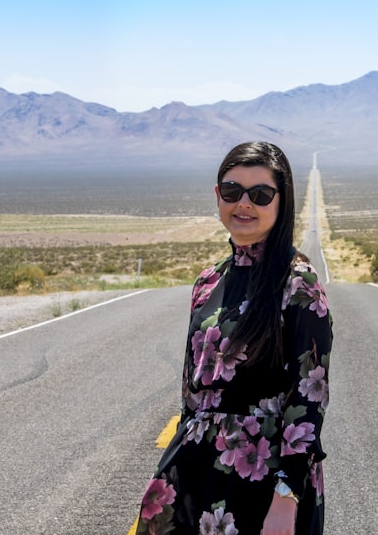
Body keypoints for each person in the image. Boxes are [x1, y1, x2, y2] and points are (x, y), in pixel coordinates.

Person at [136, 141, 333, 535]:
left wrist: (286, 498)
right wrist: (169, 475)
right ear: (218, 196)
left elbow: (308, 403)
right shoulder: (208, 282)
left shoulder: (298, 286)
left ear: (282, 202)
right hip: (193, 471)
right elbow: (192, 395)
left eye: (260, 194)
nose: (244, 203)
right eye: (232, 191)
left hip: (264, 483)